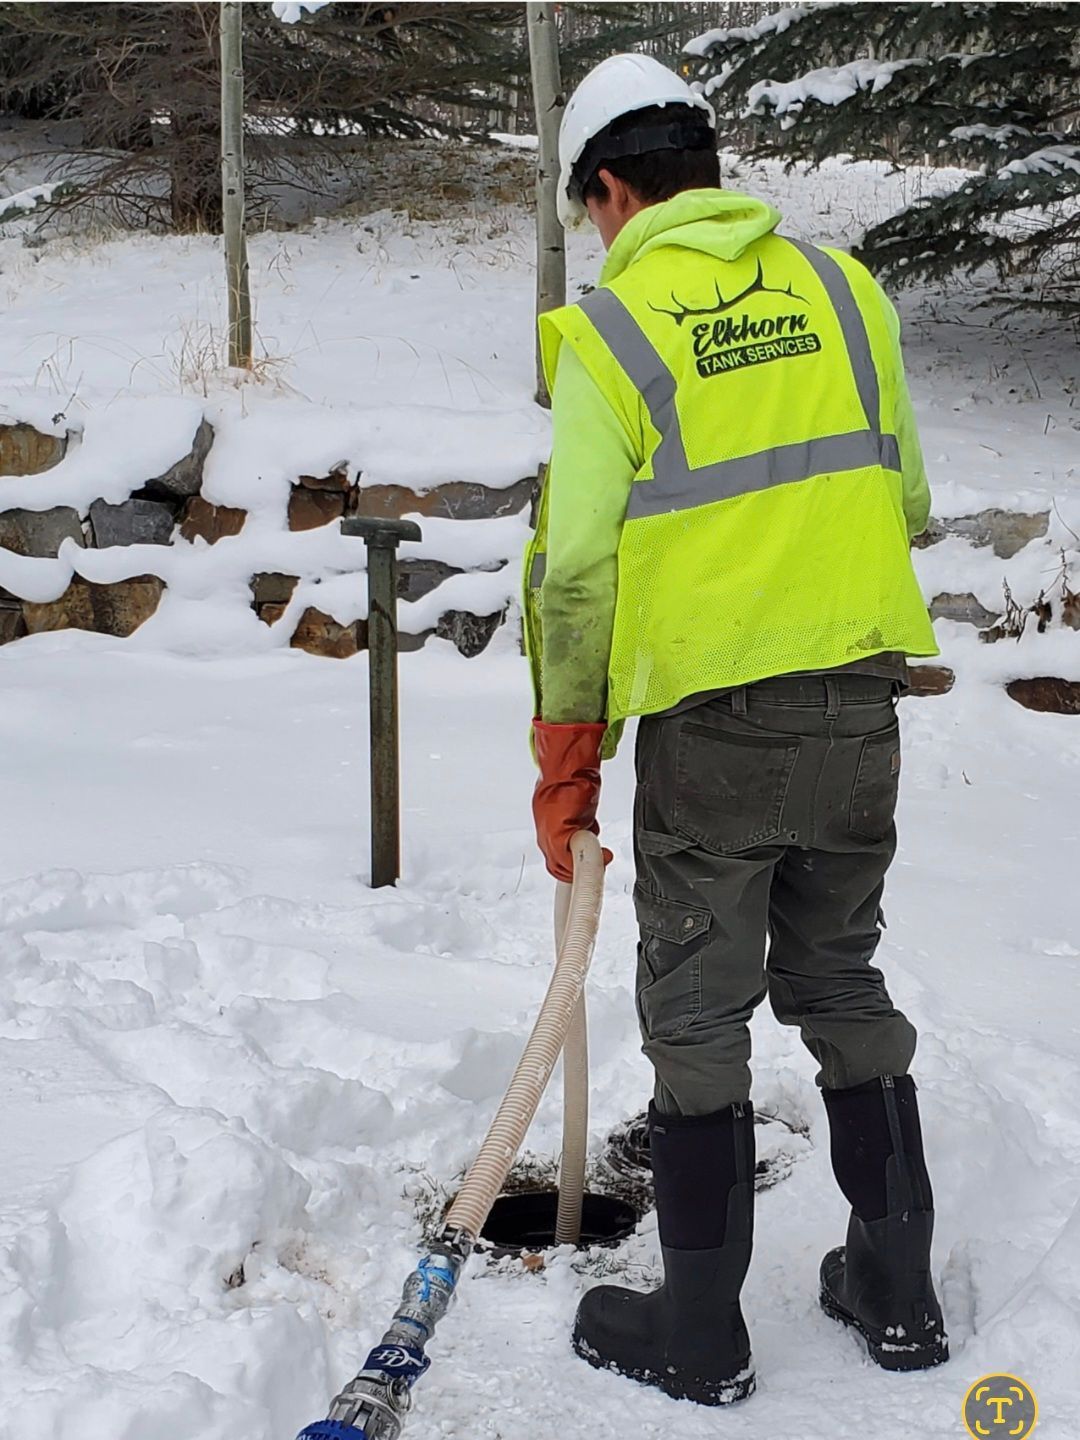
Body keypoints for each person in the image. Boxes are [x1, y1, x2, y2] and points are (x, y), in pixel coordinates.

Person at [523, 53, 949, 1407]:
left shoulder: (615, 329)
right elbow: (911, 499)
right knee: (841, 984)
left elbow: (577, 571)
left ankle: (701, 1331)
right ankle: (897, 1286)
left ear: (606, 190)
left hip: (712, 733)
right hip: (861, 713)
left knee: (699, 1015)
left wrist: (566, 758)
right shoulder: (842, 291)